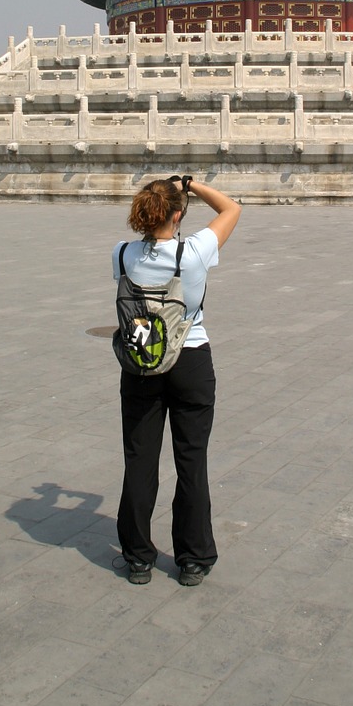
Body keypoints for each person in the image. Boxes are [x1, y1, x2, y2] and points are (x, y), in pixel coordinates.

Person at [113, 175, 241, 587]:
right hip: (190, 362)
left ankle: (137, 556)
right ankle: (192, 558)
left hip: (141, 364)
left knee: (139, 460)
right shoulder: (194, 252)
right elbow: (232, 209)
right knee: (191, 461)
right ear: (178, 214)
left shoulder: (122, 254)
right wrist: (193, 183)